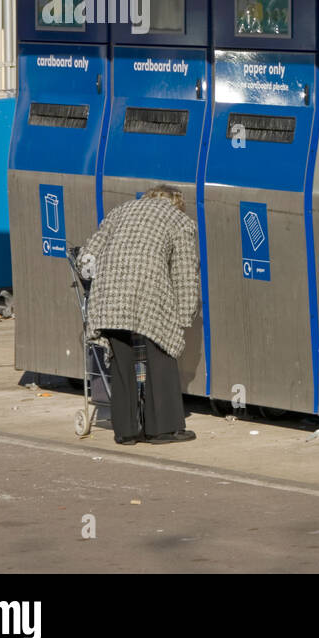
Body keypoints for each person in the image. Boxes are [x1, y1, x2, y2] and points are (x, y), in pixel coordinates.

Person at [80, 185, 200, 445]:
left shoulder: (120, 211)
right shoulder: (180, 220)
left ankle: (126, 431)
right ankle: (163, 429)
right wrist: (184, 315)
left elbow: (89, 254)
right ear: (176, 203)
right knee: (162, 354)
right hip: (147, 293)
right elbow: (184, 273)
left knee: (121, 363)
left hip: (109, 294)